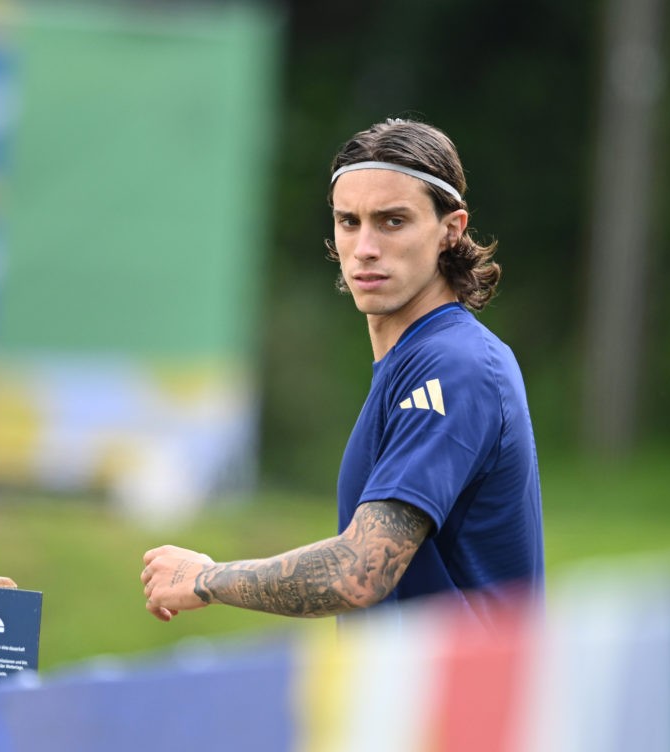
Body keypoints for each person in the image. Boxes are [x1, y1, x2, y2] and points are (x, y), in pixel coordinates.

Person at [141, 118, 543, 626]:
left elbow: (360, 571)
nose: (365, 247)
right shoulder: (415, 360)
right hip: (402, 699)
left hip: (463, 704)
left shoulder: (455, 365)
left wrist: (205, 577)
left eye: (393, 221)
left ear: (450, 230)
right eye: (349, 221)